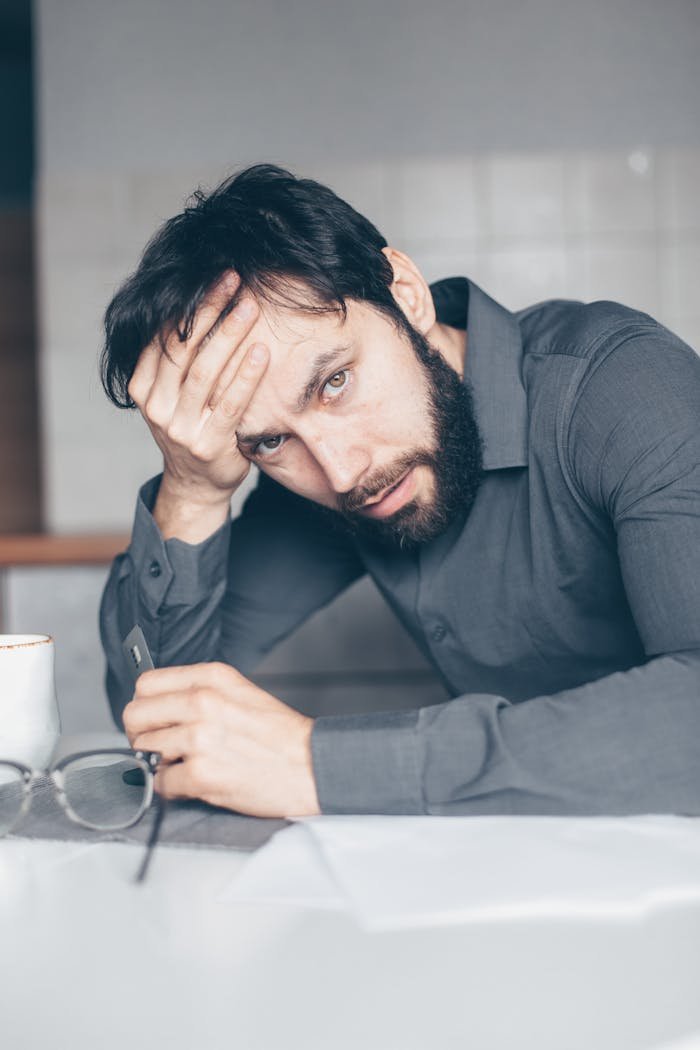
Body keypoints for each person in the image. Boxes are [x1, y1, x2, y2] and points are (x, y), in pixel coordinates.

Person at [99, 163, 700, 819]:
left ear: (407, 294)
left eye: (334, 383)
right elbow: (160, 721)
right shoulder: (331, 481)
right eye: (268, 442)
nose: (341, 472)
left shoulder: (622, 388)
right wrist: (192, 491)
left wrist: (318, 765)